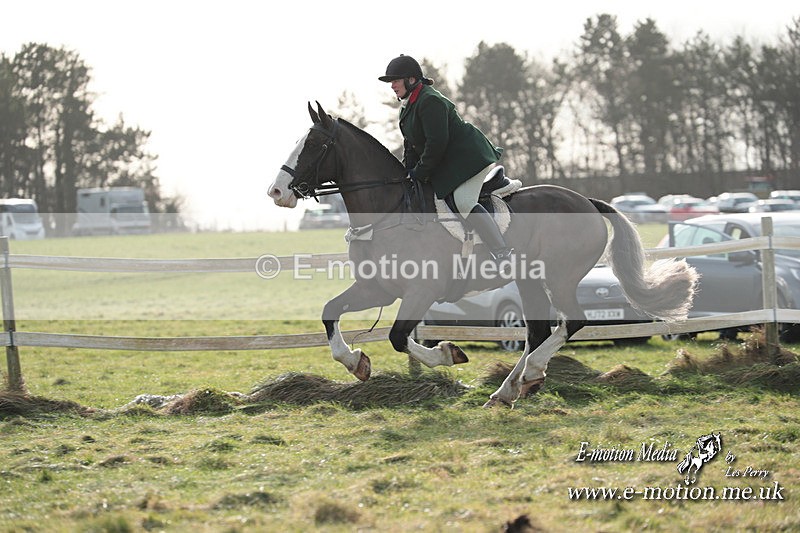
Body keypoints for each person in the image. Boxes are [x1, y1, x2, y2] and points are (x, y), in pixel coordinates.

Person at [378, 54, 513, 267]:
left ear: (411, 80)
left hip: (469, 159)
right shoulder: (408, 105)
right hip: (450, 163)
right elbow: (411, 145)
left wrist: (420, 172)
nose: (392, 85)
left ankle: (502, 252)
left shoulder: (430, 101)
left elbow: (436, 144)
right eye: (391, 82)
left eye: (395, 80)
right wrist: (406, 172)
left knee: (463, 202)